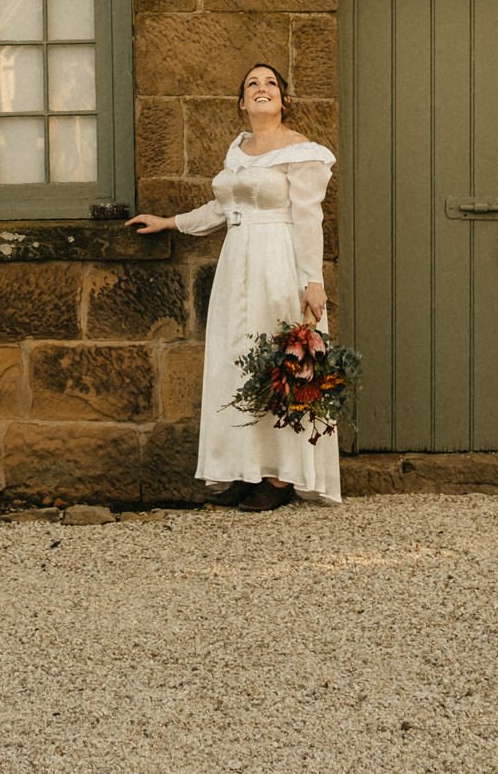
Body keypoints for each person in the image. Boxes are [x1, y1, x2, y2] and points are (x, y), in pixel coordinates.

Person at [129, 62, 340, 510]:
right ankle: (246, 469)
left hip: (276, 262)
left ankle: (282, 478)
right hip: (236, 265)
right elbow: (221, 209)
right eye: (251, 84)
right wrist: (169, 222)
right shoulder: (238, 150)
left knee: (280, 361)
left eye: (270, 84)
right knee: (237, 362)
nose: (261, 89)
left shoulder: (302, 152)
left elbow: (308, 219)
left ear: (283, 99)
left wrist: (313, 282)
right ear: (242, 102)